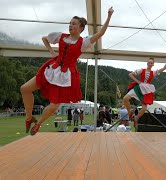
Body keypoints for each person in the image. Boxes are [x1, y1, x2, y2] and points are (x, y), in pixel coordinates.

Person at [20, 7, 114, 135]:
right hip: (52, 69)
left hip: (65, 76)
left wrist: (108, 16)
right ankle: (29, 117)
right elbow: (44, 38)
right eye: (70, 23)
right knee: (24, 89)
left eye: (73, 24)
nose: (70, 25)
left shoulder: (83, 42)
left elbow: (101, 33)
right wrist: (52, 52)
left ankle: (38, 123)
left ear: (81, 28)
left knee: (55, 105)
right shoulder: (61, 36)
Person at [123, 56, 166, 128]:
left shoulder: (153, 72)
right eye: (149, 62)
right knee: (125, 99)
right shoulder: (141, 70)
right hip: (138, 87)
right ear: (147, 63)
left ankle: (136, 118)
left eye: (152, 63)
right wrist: (138, 81)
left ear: (153, 64)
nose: (150, 64)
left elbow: (163, 69)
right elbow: (130, 74)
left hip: (146, 90)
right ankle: (129, 114)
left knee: (144, 108)